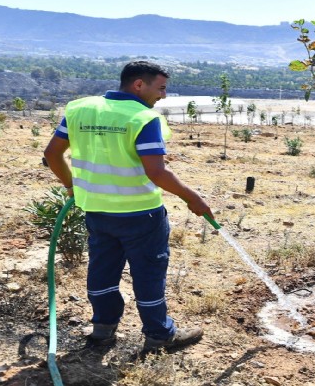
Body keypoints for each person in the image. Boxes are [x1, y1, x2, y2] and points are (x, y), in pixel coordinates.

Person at [44, 60, 212, 353]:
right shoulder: (143, 118)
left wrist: (72, 186)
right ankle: (160, 336)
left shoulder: (79, 109)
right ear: (138, 85)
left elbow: (52, 154)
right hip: (140, 214)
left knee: (102, 270)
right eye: (160, 88)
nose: (163, 95)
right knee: (148, 273)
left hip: (96, 210)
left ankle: (102, 330)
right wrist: (192, 197)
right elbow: (157, 172)